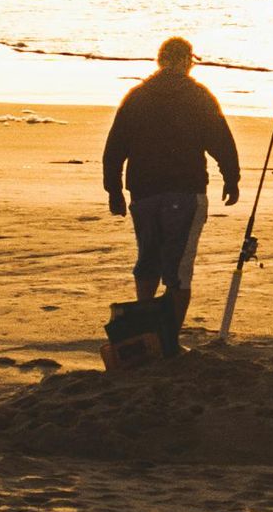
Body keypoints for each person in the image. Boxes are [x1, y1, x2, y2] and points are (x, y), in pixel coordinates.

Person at [102, 37, 241, 334]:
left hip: (143, 193)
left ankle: (145, 329)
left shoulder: (137, 97)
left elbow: (115, 148)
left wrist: (113, 190)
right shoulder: (198, 96)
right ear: (187, 62)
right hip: (185, 191)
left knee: (148, 258)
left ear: (159, 61)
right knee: (178, 268)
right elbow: (220, 140)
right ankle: (169, 337)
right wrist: (231, 177)